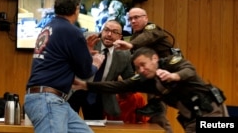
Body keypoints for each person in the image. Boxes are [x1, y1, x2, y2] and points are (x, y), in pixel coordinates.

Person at [72, 47, 229, 133]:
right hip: (191, 119)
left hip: (211, 111)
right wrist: (86, 85)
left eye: (143, 64)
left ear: (154, 59)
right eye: (137, 67)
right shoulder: (145, 80)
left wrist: (174, 76)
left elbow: (189, 69)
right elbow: (118, 86)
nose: (141, 70)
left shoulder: (171, 62)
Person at [24, 0, 105, 133]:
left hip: (50, 99)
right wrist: (96, 63)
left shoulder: (50, 26)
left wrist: (83, 52)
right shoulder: (72, 31)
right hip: (48, 100)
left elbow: (61, 58)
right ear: (77, 8)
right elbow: (85, 72)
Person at [113, 7, 175, 132]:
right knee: (154, 117)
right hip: (153, 78)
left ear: (146, 18)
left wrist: (131, 45)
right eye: (130, 18)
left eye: (136, 17)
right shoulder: (135, 35)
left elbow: (148, 37)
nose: (133, 21)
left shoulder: (152, 29)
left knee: (159, 117)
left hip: (167, 77)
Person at [68, 20, 135, 120]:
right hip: (74, 89)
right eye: (106, 30)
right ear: (101, 31)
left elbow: (130, 78)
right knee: (66, 125)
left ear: (120, 37)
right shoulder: (88, 39)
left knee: (95, 127)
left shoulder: (124, 54)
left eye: (114, 32)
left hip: (98, 93)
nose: (109, 34)